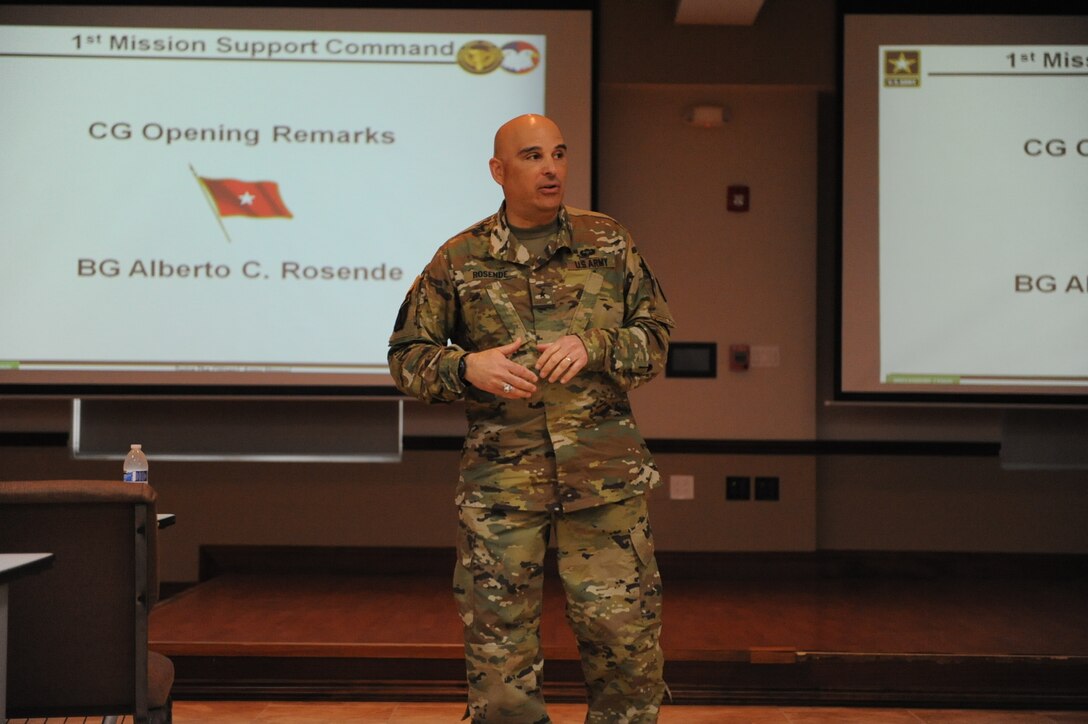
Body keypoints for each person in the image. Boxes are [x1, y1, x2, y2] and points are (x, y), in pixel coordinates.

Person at [388, 114, 674, 723]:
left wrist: (597, 345)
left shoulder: (609, 243)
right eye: (532, 156)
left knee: (624, 642)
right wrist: (467, 368)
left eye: (559, 154)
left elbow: (655, 340)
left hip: (604, 480)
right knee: (500, 654)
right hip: (502, 487)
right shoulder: (460, 257)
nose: (550, 168)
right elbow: (406, 357)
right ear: (499, 171)